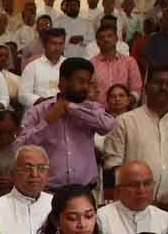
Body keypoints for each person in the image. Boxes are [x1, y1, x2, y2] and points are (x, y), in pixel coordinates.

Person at [102, 64, 168, 206]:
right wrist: (138, 194)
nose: (163, 87)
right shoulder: (125, 121)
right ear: (146, 87)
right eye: (158, 82)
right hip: (133, 205)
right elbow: (113, 165)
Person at [18, 57, 115, 188]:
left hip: (85, 189)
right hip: (49, 190)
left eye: (88, 82)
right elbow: (21, 147)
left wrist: (71, 107)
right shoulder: (39, 111)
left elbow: (107, 126)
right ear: (63, 82)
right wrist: (46, 122)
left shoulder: (92, 108)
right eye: (81, 81)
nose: (85, 87)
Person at [99, 161, 168, 234]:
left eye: (147, 184)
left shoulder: (166, 220)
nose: (141, 190)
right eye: (134, 185)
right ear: (119, 189)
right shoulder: (102, 218)